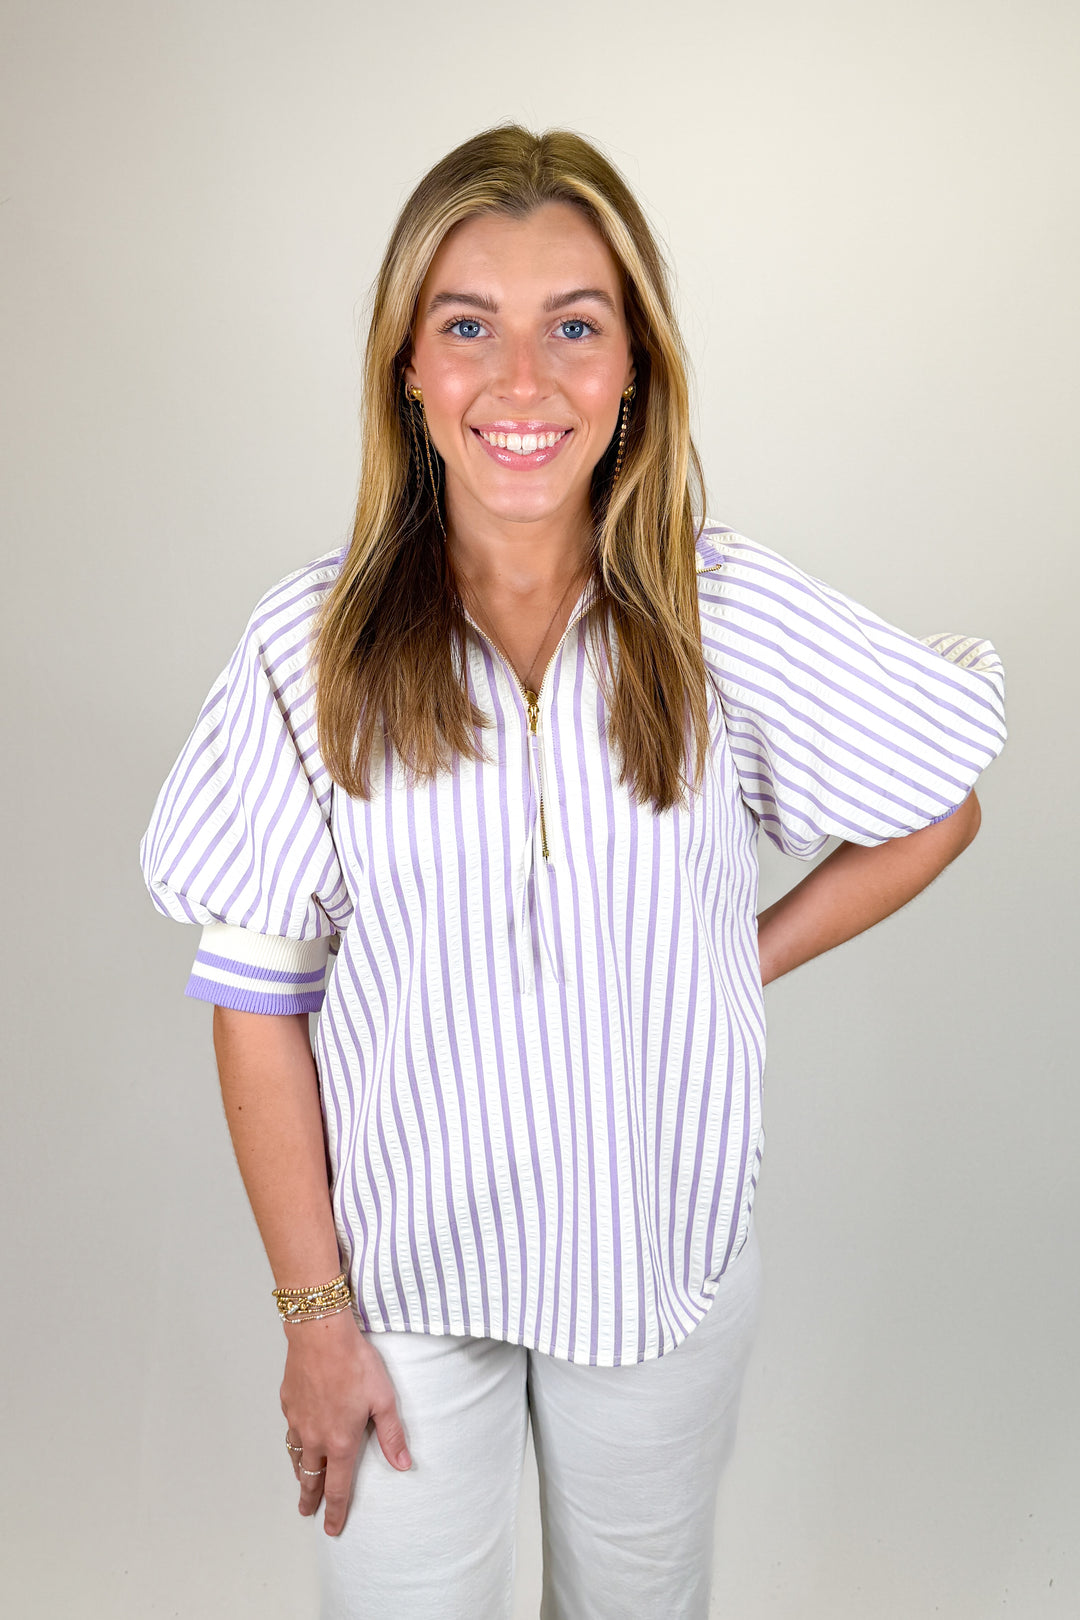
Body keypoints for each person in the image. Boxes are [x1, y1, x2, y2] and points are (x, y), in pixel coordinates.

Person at [139, 125, 1007, 1620]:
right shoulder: (311, 648)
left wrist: (739, 955)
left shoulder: (718, 616)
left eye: (575, 327)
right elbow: (256, 998)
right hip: (398, 1287)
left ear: (635, 372)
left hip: (655, 1270)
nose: (522, 381)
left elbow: (942, 802)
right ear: (408, 366)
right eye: (468, 325)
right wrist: (314, 1316)